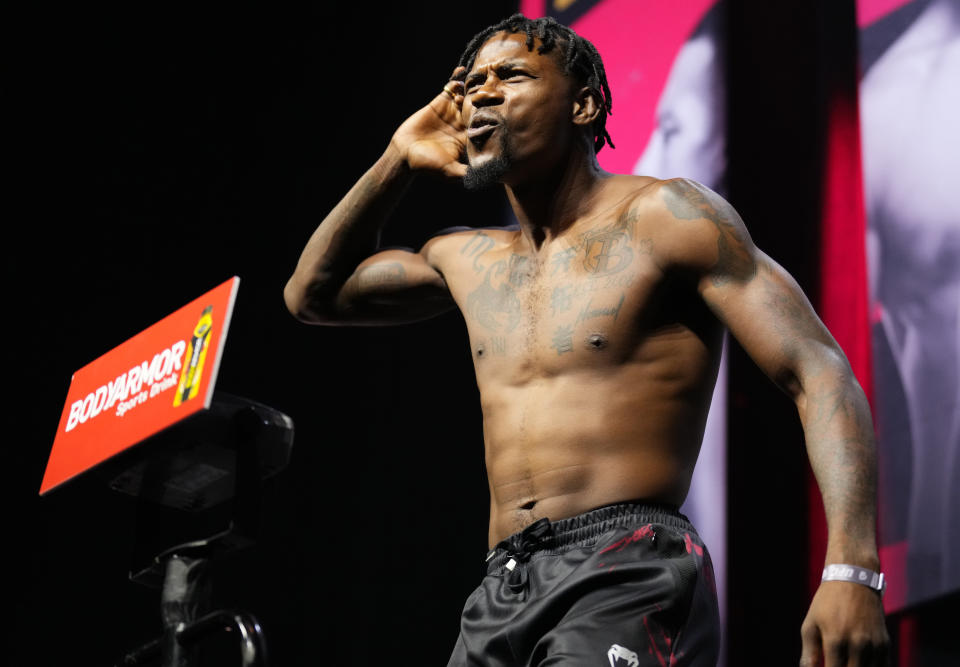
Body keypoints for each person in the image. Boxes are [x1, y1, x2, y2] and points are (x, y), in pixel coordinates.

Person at [284, 14, 888, 666]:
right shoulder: (466, 259)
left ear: (583, 103)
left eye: (510, 75)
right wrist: (397, 159)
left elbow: (817, 368)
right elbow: (312, 295)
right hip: (498, 587)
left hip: (626, 566)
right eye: (472, 84)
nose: (483, 94)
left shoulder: (667, 217)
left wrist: (851, 567)